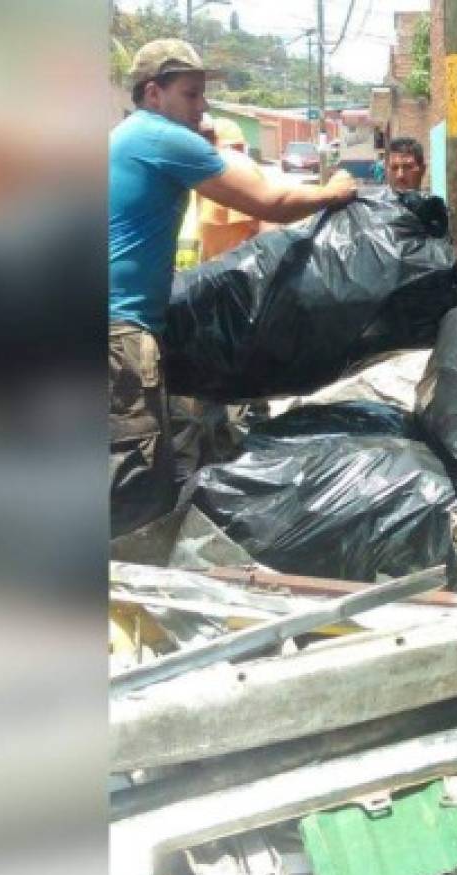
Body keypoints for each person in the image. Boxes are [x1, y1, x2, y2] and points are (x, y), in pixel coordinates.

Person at [109, 39, 357, 537]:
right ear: (154, 94)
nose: (202, 106)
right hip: (120, 331)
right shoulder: (160, 138)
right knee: (134, 472)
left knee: (153, 455)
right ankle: (125, 588)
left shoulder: (129, 137)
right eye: (192, 94)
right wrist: (336, 191)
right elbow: (272, 200)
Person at [199, 117, 264, 261]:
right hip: (234, 269)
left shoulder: (202, 166)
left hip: (208, 269)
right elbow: (262, 225)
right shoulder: (236, 165)